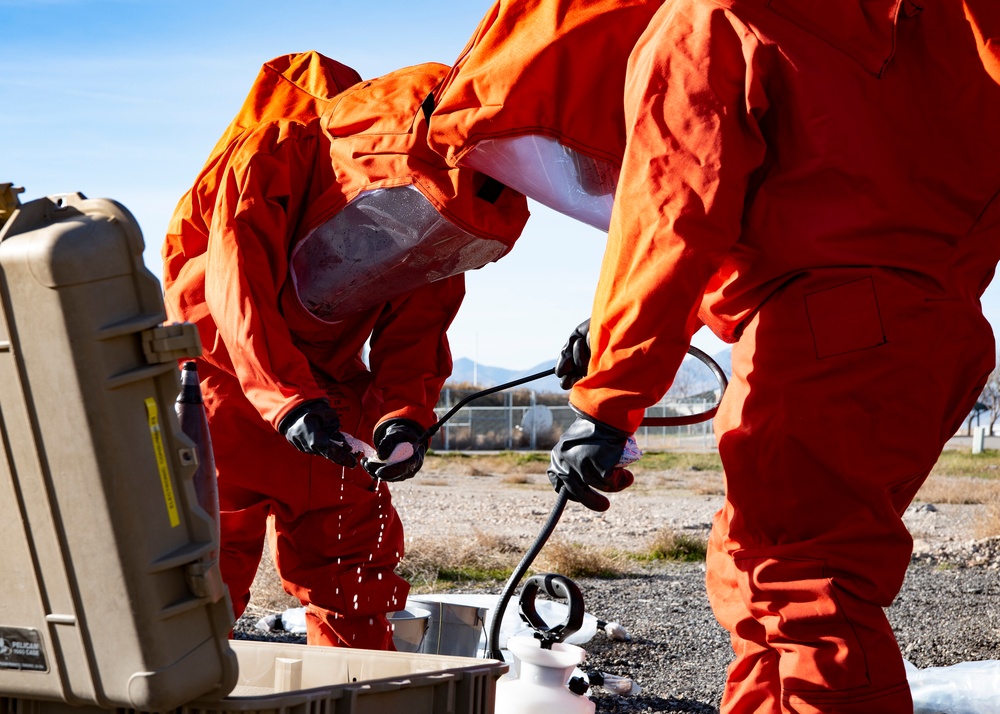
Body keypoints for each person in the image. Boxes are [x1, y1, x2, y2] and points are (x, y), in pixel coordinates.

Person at [547, 1, 1000, 712]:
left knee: (799, 584)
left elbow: (674, 208)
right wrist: (617, 324)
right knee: (770, 578)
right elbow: (834, 199)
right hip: (936, 326)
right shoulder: (947, 17)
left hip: (825, 332)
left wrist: (610, 392)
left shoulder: (714, 16)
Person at [162, 52, 527, 649]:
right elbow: (236, 285)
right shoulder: (277, 152)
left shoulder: (450, 204)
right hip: (221, 383)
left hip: (322, 391)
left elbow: (421, 321)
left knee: (354, 572)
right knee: (201, 575)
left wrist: (401, 418)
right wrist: (288, 401)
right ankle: (182, 688)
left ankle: (360, 691)